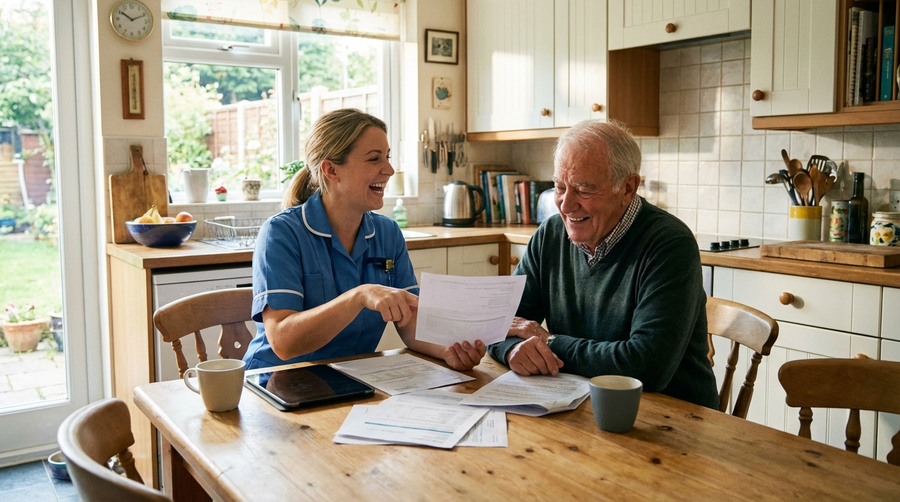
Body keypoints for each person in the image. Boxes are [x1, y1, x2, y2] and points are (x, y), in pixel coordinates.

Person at [488, 119, 719, 409]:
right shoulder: (550, 235)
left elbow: (647, 365)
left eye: (584, 190)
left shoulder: (669, 244)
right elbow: (499, 323)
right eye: (560, 187)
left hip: (672, 416)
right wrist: (514, 349)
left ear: (627, 188)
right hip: (583, 404)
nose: (566, 204)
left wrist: (549, 343)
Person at [243, 108, 485, 371]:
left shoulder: (388, 233)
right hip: (275, 381)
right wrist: (359, 295)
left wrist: (448, 350)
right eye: (374, 159)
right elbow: (283, 342)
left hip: (351, 379)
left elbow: (411, 321)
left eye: (388, 157)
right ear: (331, 170)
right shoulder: (281, 233)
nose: (389, 169)